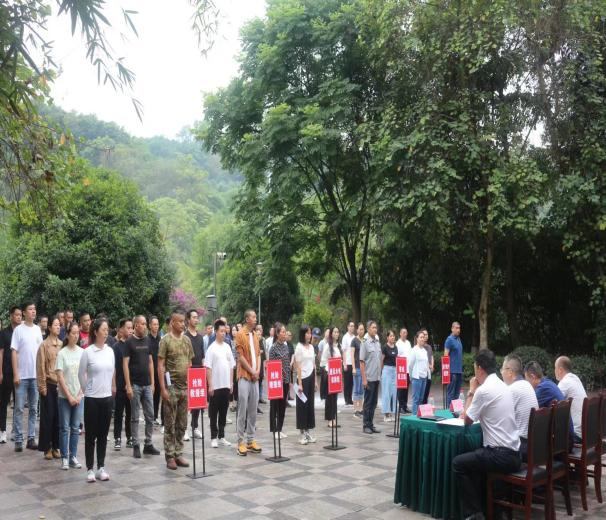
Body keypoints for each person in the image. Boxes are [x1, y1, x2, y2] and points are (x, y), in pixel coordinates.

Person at [453, 350, 521, 520]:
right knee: (476, 460)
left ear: (479, 369)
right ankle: (488, 508)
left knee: (458, 464)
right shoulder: (503, 386)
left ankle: (475, 514)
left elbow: (466, 419)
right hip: (515, 454)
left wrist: (471, 390)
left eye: (474, 368)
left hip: (499, 455)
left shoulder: (483, 391)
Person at [78, 318, 116, 483]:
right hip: (92, 399)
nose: (106, 332)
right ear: (95, 332)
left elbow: (113, 371)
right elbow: (81, 374)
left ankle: (101, 467)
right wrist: (87, 390)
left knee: (103, 434)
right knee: (91, 435)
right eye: (103, 329)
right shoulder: (88, 352)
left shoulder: (110, 351)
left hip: (106, 398)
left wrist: (112, 387)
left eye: (107, 330)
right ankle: (90, 469)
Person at [158, 310, 194, 470]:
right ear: (172, 323)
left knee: (182, 423)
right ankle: (170, 456)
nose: (182, 324)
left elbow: (190, 363)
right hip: (171, 387)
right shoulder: (165, 340)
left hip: (184, 388)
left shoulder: (187, 340)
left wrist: (190, 385)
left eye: (183, 321)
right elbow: (160, 365)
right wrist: (163, 388)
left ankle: (179, 453)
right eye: (179, 321)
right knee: (170, 423)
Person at [124, 315, 160, 458]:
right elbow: (125, 364)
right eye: (143, 324)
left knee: (150, 416)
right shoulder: (129, 342)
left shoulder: (148, 341)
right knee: (134, 417)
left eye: (145, 324)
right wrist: (128, 386)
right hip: (135, 385)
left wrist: (153, 383)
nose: (145, 326)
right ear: (136, 325)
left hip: (147, 385)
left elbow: (151, 362)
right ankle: (136, 444)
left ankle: (148, 444)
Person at [11, 301, 43, 451]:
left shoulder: (37, 330)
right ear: (24, 312)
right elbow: (14, 352)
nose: (33, 311)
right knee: (19, 408)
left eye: (34, 309)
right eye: (30, 309)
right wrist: (16, 374)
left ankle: (31, 438)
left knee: (34, 409)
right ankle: (18, 439)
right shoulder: (19, 330)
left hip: (35, 376)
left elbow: (41, 352)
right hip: (22, 376)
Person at [524, 360, 575, 448]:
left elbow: (528, 411)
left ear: (532, 376)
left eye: (527, 380)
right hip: (567, 440)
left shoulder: (542, 389)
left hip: (560, 444)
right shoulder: (548, 383)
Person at [56, 322, 84, 470]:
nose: (75, 336)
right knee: (64, 428)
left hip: (79, 396)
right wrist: (69, 396)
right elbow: (60, 377)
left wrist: (79, 395)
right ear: (67, 334)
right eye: (73, 333)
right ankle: (64, 457)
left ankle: (73, 456)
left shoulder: (82, 352)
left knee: (75, 428)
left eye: (77, 333)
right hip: (64, 397)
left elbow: (85, 375)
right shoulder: (62, 353)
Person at [235, 309, 262, 456]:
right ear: (247, 319)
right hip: (245, 376)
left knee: (253, 410)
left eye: (255, 317)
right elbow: (240, 357)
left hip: (254, 377)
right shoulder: (240, 334)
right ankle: (240, 442)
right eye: (253, 317)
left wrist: (257, 370)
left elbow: (258, 355)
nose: (255, 319)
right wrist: (252, 371)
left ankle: (251, 440)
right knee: (242, 409)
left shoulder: (255, 335)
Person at [500, 354, 538, 458]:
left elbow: (498, 419)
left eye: (502, 369)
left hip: (521, 446)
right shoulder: (527, 385)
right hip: (534, 445)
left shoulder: (512, 390)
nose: (501, 373)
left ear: (510, 372)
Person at [205, 319, 235, 448]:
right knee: (213, 412)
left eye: (225, 331)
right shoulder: (211, 348)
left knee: (224, 411)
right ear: (216, 332)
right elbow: (208, 368)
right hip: (215, 386)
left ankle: (222, 436)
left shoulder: (227, 347)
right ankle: (213, 437)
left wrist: (231, 383)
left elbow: (231, 366)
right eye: (221, 331)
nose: (224, 333)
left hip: (226, 385)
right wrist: (210, 385)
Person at [36, 315, 62, 460]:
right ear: (50, 327)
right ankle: (47, 447)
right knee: (48, 417)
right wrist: (42, 386)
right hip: (49, 385)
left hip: (60, 385)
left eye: (59, 325)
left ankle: (56, 446)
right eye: (56, 325)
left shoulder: (62, 344)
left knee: (58, 417)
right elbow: (40, 367)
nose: (58, 327)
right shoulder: (44, 345)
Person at [0, 306, 21, 443]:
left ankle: (15, 431)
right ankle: (2, 431)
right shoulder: (4, 333)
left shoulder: (22, 332)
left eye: (20, 315)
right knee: (4, 402)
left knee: (18, 404)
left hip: (19, 373)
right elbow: (1, 353)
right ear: (11, 316)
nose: (19, 317)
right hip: (6, 372)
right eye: (16, 315)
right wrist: (0, 372)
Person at [555, 356, 587, 443]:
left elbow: (553, 404)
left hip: (576, 434)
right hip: (586, 432)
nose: (554, 371)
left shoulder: (565, 382)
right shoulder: (576, 379)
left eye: (555, 368)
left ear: (560, 370)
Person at [112, 318, 133, 451]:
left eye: (131, 328)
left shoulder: (133, 345)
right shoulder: (116, 347)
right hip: (120, 385)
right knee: (119, 413)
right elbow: (113, 368)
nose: (130, 330)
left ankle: (130, 437)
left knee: (130, 413)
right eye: (128, 328)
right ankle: (117, 438)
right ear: (121, 329)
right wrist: (113, 384)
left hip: (132, 386)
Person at [268, 323, 291, 439]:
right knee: (274, 406)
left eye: (285, 331)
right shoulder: (273, 348)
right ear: (277, 334)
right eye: (282, 332)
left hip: (285, 381)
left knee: (282, 406)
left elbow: (287, 365)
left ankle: (279, 428)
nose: (284, 333)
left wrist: (289, 380)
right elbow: (271, 366)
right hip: (276, 382)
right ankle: (274, 430)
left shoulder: (286, 347)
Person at [185, 309, 205, 440]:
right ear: (188, 320)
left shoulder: (200, 337)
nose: (196, 319)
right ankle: (185, 429)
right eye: (194, 317)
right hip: (189, 372)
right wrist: (187, 373)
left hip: (199, 372)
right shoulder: (185, 337)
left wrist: (204, 371)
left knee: (198, 401)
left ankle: (194, 427)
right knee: (188, 403)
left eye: (197, 317)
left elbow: (202, 355)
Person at [295, 325, 317, 445]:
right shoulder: (299, 347)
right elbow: (298, 366)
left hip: (311, 377)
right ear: (303, 334)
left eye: (310, 333)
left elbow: (313, 364)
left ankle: (308, 431)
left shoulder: (312, 347)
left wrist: (315, 381)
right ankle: (302, 433)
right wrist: (300, 383)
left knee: (310, 405)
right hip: (302, 379)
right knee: (302, 406)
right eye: (307, 333)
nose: (309, 335)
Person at [360, 321, 381, 434]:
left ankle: (371, 424)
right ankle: (366, 425)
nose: (375, 329)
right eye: (373, 327)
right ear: (368, 329)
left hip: (376, 377)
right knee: (368, 402)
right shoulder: (365, 342)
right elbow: (362, 362)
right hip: (369, 377)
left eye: (376, 327)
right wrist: (364, 379)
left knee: (374, 402)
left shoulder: (377, 341)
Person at [320, 326, 341, 428]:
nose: (337, 334)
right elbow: (323, 361)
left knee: (335, 398)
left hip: (336, 374)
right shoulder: (328, 346)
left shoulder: (338, 346)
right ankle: (329, 419)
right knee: (330, 398)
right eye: (335, 332)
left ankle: (334, 418)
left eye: (338, 332)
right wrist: (327, 371)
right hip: (329, 374)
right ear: (331, 334)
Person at [408, 330, 429, 415]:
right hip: (416, 377)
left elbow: (426, 364)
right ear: (417, 339)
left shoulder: (424, 351)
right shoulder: (414, 350)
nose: (422, 339)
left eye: (423, 337)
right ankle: (414, 417)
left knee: (421, 399)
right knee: (416, 399)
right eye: (420, 337)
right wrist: (411, 376)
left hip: (424, 378)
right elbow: (410, 365)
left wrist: (427, 375)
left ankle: (419, 417)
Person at [444, 321, 463, 408]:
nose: (458, 330)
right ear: (452, 329)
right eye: (456, 328)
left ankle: (455, 411)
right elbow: (445, 356)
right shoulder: (449, 340)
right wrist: (446, 372)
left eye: (459, 328)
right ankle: (449, 411)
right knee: (451, 393)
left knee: (457, 394)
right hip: (452, 371)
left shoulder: (458, 339)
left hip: (459, 371)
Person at [148, 316, 162, 426]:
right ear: (150, 326)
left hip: (159, 371)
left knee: (157, 395)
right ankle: (149, 416)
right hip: (149, 372)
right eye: (154, 324)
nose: (156, 326)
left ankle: (155, 416)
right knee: (150, 396)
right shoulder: (146, 340)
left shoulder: (160, 339)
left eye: (157, 324)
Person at [381, 330, 398, 422]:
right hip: (387, 370)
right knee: (386, 392)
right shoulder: (384, 347)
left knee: (394, 392)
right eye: (391, 336)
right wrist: (381, 371)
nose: (392, 337)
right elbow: (381, 360)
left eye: (393, 336)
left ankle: (392, 412)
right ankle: (386, 413)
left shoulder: (396, 347)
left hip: (394, 371)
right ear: (387, 337)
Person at [351, 323, 365, 419]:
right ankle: (356, 410)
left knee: (361, 389)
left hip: (363, 368)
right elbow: (352, 355)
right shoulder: (354, 341)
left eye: (363, 329)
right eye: (360, 329)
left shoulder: (365, 340)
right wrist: (353, 368)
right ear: (357, 330)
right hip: (356, 367)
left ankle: (360, 409)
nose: (361, 331)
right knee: (356, 389)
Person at [395, 327, 411, 414]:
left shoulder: (408, 343)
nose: (405, 334)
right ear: (400, 334)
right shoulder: (398, 344)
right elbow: (397, 357)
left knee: (406, 388)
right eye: (403, 332)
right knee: (401, 389)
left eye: (406, 333)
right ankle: (400, 406)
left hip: (408, 369)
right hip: (401, 369)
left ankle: (405, 406)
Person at [341, 321, 355, 406]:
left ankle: (350, 398)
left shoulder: (354, 337)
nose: (352, 327)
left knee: (352, 382)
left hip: (353, 363)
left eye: (353, 326)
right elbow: (344, 351)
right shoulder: (345, 337)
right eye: (351, 326)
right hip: (347, 362)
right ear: (348, 327)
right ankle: (346, 399)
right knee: (346, 382)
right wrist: (344, 364)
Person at [421, 330, 434, 404]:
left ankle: (425, 406)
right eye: (424, 335)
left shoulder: (429, 347)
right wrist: (428, 365)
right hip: (422, 372)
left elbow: (431, 356)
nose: (426, 336)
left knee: (427, 391)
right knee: (422, 391)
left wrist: (432, 365)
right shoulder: (420, 347)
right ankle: (420, 406)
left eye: (427, 334)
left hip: (429, 371)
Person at [256, 324, 267, 404]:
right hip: (255, 367)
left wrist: (264, 371)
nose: (259, 336)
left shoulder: (262, 342)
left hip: (261, 367)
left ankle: (260, 398)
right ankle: (256, 400)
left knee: (260, 382)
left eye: (260, 334)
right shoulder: (253, 343)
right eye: (258, 334)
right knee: (256, 383)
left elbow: (264, 357)